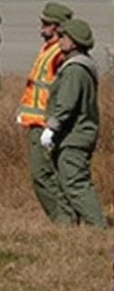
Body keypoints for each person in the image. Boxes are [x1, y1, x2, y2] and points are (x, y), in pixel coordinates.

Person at [41, 18, 104, 227]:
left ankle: (97, 226)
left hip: (75, 135)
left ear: (74, 42)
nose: (59, 40)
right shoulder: (81, 65)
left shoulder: (75, 69)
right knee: (65, 180)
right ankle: (69, 226)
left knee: (75, 182)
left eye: (64, 37)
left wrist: (51, 127)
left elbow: (66, 104)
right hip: (75, 134)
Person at [16, 2, 73, 223]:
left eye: (46, 24)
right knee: (46, 173)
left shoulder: (60, 52)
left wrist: (53, 122)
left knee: (43, 175)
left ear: (58, 27)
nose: (42, 27)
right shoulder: (49, 48)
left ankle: (63, 220)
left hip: (46, 123)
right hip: (36, 120)